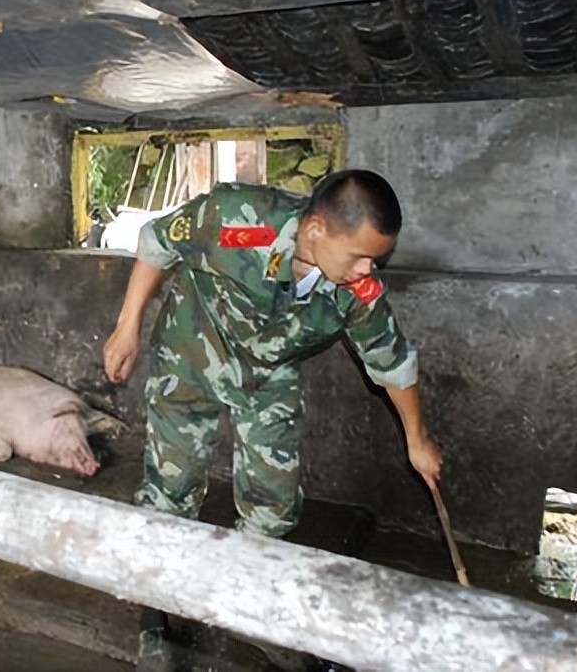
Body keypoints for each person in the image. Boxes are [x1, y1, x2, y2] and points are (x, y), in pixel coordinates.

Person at [102, 169, 442, 672]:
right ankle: (155, 610)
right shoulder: (236, 219)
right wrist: (126, 326)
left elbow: (390, 362)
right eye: (360, 255)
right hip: (192, 352)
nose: (368, 269)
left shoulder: (357, 288)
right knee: (171, 489)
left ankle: (251, 608)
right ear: (315, 232)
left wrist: (418, 438)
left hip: (267, 374)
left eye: (377, 257)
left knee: (273, 504)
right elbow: (157, 243)